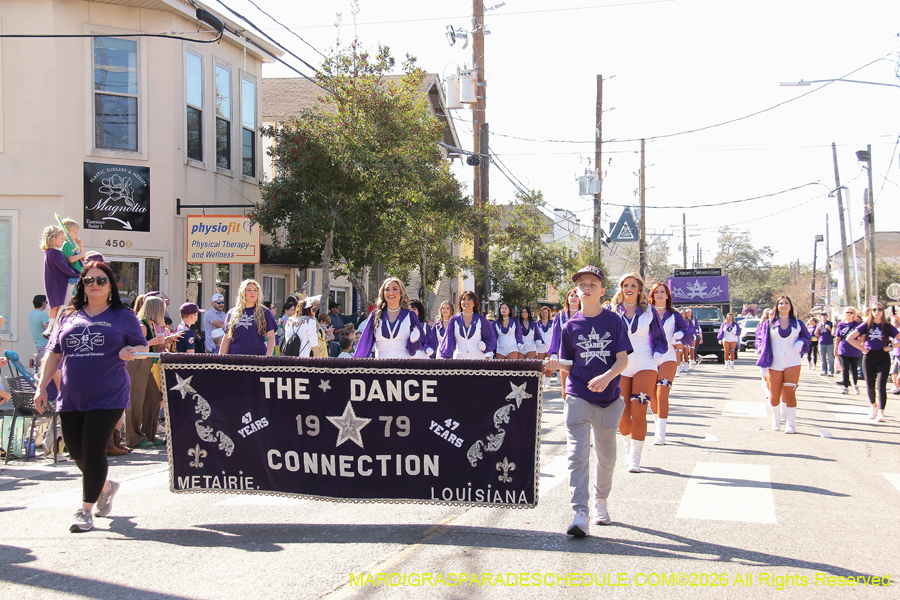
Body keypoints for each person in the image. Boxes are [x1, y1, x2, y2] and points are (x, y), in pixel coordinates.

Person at [33, 261, 148, 532]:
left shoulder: (123, 315)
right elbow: (54, 353)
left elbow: (141, 345)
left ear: (111, 285)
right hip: (72, 394)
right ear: (82, 286)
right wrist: (41, 386)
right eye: (88, 281)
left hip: (108, 393)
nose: (94, 285)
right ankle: (106, 487)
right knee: (77, 453)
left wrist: (132, 351)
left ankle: (85, 510)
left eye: (100, 280)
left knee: (94, 448)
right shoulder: (68, 316)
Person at [544, 265, 631, 537]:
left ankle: (600, 501)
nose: (587, 287)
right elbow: (569, 365)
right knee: (577, 455)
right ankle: (580, 512)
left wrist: (606, 377)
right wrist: (556, 365)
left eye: (592, 283)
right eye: (582, 283)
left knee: (607, 457)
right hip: (578, 395)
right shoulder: (570, 326)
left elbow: (623, 359)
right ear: (576, 290)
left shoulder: (614, 321)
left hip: (608, 399)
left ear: (602, 290)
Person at [612, 272, 667, 472]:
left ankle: (635, 456)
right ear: (621, 288)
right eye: (626, 285)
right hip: (620, 364)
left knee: (639, 408)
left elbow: (659, 337)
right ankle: (628, 444)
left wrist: (659, 353)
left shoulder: (650, 312)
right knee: (622, 415)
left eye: (633, 285)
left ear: (639, 289)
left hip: (645, 362)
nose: (629, 289)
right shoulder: (611, 311)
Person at [126, 296, 179, 448]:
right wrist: (152, 342)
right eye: (162, 309)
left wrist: (167, 340)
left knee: (154, 398)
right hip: (137, 364)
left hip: (146, 365)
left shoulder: (150, 325)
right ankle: (133, 437)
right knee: (135, 401)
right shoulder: (141, 324)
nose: (164, 312)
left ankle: (148, 434)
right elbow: (132, 347)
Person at [756, 296, 810, 434]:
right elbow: (761, 340)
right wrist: (762, 357)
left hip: (793, 361)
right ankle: (776, 419)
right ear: (777, 306)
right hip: (775, 362)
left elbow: (807, 338)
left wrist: (802, 343)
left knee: (789, 393)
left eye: (786, 303)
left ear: (790, 306)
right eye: (781, 303)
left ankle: (791, 423)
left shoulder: (798, 323)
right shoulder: (769, 323)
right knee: (774, 395)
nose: (784, 305)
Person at [649, 282, 692, 445]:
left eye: (662, 292)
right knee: (652, 396)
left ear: (667, 295)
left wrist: (680, 333)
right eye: (656, 292)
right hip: (650, 358)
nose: (659, 294)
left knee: (662, 393)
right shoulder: (646, 313)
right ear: (652, 295)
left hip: (668, 357)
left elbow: (688, 331)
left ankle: (661, 432)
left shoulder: (674, 315)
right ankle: (656, 423)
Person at [846, 302, 900, 422]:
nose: (877, 311)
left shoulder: (887, 326)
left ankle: (881, 412)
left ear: (883, 311)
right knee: (870, 386)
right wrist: (863, 349)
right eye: (874, 309)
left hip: (883, 356)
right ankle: (873, 405)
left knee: (881, 385)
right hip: (869, 356)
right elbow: (849, 338)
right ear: (871, 311)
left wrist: (891, 346)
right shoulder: (866, 325)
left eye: (880, 309)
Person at [354, 278, 426, 359]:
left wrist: (414, 341)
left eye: (395, 289)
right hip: (382, 368)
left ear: (401, 292)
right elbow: (364, 344)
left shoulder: (410, 315)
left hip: (404, 368)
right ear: (383, 293)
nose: (390, 292)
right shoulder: (375, 315)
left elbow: (421, 345)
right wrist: (356, 365)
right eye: (387, 289)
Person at [41, 225, 80, 338]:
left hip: (52, 282)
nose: (63, 242)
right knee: (60, 305)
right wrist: (78, 274)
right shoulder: (55, 253)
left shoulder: (48, 252)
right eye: (61, 239)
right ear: (53, 239)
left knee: (54, 305)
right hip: (59, 283)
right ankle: (53, 327)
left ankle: (51, 328)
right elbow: (64, 267)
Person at [220, 280, 277, 356]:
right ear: (243, 292)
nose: (252, 293)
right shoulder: (232, 313)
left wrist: (268, 358)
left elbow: (270, 336)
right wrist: (220, 359)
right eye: (249, 290)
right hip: (234, 358)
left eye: (255, 290)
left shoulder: (265, 312)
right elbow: (226, 339)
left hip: (257, 358)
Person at [438, 291, 496, 360]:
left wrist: (485, 346)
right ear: (460, 303)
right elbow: (448, 340)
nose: (466, 301)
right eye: (463, 299)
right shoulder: (454, 320)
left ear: (474, 303)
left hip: (477, 359)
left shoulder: (481, 320)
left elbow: (490, 338)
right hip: (459, 359)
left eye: (469, 299)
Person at [548, 289, 582, 398]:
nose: (573, 297)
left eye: (576, 295)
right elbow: (555, 335)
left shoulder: (586, 313)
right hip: (565, 352)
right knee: (566, 387)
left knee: (582, 386)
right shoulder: (560, 315)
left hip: (582, 353)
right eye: (571, 295)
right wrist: (553, 352)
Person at [835, 307, 862, 395]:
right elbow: (838, 337)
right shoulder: (841, 324)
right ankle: (846, 386)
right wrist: (836, 347)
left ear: (854, 314)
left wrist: (861, 342)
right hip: (843, 349)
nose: (849, 314)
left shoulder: (858, 324)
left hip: (854, 349)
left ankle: (855, 385)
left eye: (851, 312)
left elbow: (862, 336)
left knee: (854, 369)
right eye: (847, 312)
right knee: (845, 368)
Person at [536, 306, 554, 390]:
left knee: (549, 363)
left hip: (550, 345)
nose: (544, 314)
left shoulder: (553, 322)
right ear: (540, 314)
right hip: (541, 346)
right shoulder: (537, 323)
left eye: (546, 313)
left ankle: (548, 381)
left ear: (548, 313)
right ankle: (542, 381)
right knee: (541, 364)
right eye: (543, 313)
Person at [29, 294, 50, 361]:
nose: (46, 305)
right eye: (46, 302)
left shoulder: (31, 314)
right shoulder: (43, 315)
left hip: (38, 344)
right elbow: (49, 329)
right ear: (43, 303)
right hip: (45, 344)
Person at [816, 311, 835, 377]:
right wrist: (818, 329)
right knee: (822, 358)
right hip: (821, 343)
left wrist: (829, 328)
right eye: (822, 315)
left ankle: (831, 371)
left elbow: (833, 333)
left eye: (825, 315)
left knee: (830, 358)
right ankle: (824, 370)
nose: (823, 316)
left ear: (827, 316)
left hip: (829, 343)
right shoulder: (819, 324)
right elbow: (816, 334)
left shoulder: (830, 323)